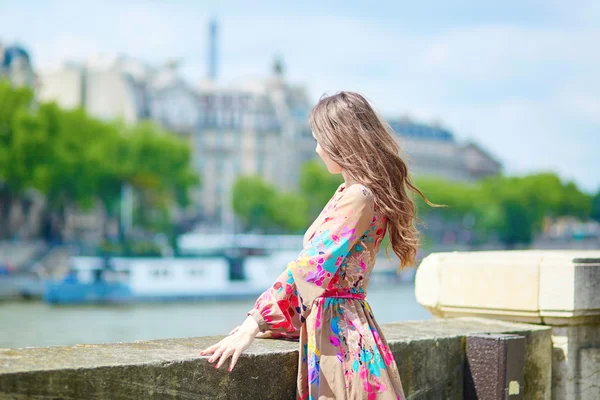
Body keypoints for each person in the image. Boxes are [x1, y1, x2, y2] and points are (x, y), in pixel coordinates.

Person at [200, 91, 444, 399]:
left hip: (338, 338)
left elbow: (311, 268)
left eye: (320, 139)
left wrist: (253, 324)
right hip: (342, 330)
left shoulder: (358, 196)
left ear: (341, 139)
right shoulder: (352, 191)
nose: (316, 149)